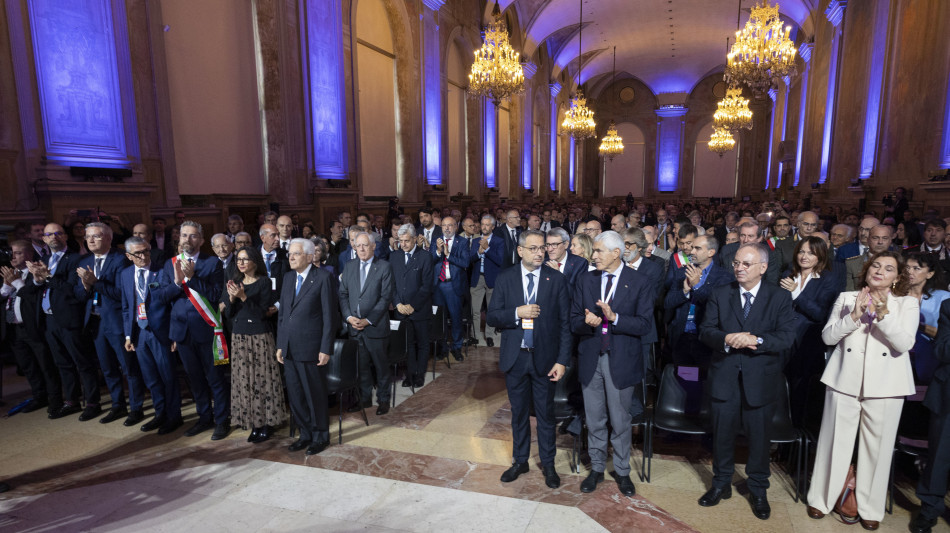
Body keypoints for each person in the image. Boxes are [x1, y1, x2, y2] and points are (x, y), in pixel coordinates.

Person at [806, 251, 917, 530]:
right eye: (876, 265)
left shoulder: (907, 304)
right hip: (844, 380)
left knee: (877, 451)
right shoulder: (846, 297)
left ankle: (870, 508)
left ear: (897, 278)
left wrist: (883, 316)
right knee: (834, 442)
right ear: (866, 270)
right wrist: (854, 316)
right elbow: (828, 337)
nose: (879, 271)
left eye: (888, 268)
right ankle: (821, 499)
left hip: (887, 387)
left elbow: (904, 344)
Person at [698, 243, 796, 520]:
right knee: (722, 435)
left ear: (763, 268)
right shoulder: (720, 294)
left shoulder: (779, 297)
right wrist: (726, 339)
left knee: (759, 439)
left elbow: (787, 337)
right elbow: (706, 331)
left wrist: (758, 340)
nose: (739, 268)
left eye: (746, 264)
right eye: (736, 263)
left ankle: (758, 489)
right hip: (725, 376)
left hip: (761, 380)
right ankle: (720, 484)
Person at [571, 231, 653, 497]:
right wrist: (587, 322)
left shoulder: (639, 281)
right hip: (590, 358)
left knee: (620, 421)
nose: (593, 256)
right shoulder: (585, 279)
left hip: (621, 360)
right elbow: (572, 320)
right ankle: (596, 468)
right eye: (593, 251)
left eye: (598, 251)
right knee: (594, 419)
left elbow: (644, 324)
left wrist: (614, 317)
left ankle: (621, 470)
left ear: (616, 253)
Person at [487, 229, 571, 489]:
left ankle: (548, 464)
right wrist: (517, 312)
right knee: (519, 413)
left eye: (542, 248)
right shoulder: (506, 278)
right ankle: (520, 460)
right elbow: (492, 316)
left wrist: (562, 360)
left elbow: (565, 324)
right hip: (516, 358)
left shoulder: (555, 279)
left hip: (545, 359)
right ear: (520, 251)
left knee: (546, 415)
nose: (539, 253)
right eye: (533, 248)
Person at [20, 223, 100, 420]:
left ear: (65, 236)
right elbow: (29, 289)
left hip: (70, 319)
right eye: (49, 234)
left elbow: (73, 291)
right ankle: (71, 400)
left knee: (82, 362)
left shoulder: (76, 259)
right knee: (62, 363)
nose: (53, 237)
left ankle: (92, 402)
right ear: (44, 239)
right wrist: (38, 279)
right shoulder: (43, 259)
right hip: (49, 320)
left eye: (58, 233)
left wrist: (47, 276)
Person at [160, 221, 230, 440]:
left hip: (207, 330)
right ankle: (204, 418)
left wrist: (193, 279)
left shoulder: (212, 263)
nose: (187, 240)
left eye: (192, 236)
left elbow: (216, 294)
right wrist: (177, 282)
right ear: (178, 238)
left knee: (215, 378)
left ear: (200, 240)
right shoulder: (170, 264)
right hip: (182, 332)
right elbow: (162, 297)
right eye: (183, 235)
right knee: (194, 378)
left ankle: (222, 420)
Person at [76, 222, 145, 426]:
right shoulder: (85, 260)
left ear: (108, 238)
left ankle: (136, 407)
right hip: (96, 323)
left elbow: (122, 295)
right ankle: (117, 405)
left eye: (95, 236)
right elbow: (78, 294)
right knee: (107, 368)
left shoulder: (120, 260)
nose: (90, 240)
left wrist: (96, 283)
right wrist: (86, 285)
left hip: (117, 323)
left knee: (128, 368)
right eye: (87, 237)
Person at [277, 239, 336, 455]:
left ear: (310, 257)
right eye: (289, 254)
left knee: (314, 394)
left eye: (296, 254)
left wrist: (325, 348)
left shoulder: (323, 278)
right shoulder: (288, 277)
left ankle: (321, 436)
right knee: (295, 394)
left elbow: (330, 317)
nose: (291, 257)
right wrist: (281, 344)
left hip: (312, 348)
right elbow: (283, 314)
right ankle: (305, 434)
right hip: (290, 348)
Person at [222, 246, 286, 443]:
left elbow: (261, 313)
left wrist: (243, 297)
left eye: (245, 259)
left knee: (262, 381)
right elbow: (228, 314)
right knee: (245, 382)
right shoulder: (234, 282)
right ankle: (252, 423)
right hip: (239, 337)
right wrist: (232, 298)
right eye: (238, 259)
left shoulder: (264, 282)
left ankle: (266, 423)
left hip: (259, 337)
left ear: (255, 262)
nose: (240, 263)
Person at [778, 236, 844, 427]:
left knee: (799, 392)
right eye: (801, 251)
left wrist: (797, 293)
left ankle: (796, 434)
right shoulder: (788, 274)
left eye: (810, 253)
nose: (804, 256)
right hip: (783, 339)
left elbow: (821, 314)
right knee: (779, 387)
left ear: (820, 256)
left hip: (807, 342)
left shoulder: (828, 278)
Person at [121, 237, 183, 434]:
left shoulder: (162, 270)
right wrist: (128, 336)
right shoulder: (125, 274)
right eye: (137, 253)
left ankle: (174, 417)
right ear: (128, 256)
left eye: (146, 251)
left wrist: (174, 334)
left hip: (161, 333)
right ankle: (160, 414)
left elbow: (173, 305)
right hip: (139, 334)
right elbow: (126, 308)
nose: (143, 256)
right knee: (151, 378)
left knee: (168, 377)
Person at [0, 240, 59, 414]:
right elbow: (3, 297)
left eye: (17, 253)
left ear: (28, 254)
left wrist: (18, 283)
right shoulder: (9, 273)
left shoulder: (35, 273)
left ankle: (55, 399)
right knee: (28, 366)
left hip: (33, 327)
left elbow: (34, 300)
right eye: (11, 252)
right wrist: (6, 284)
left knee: (45, 365)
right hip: (14, 329)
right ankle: (39, 397)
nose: (12, 256)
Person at [340, 232, 394, 415]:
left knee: (381, 366)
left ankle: (384, 400)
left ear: (373, 246)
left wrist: (368, 320)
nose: (361, 249)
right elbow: (343, 294)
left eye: (365, 245)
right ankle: (364, 399)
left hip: (376, 327)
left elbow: (385, 298)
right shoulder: (349, 267)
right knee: (361, 367)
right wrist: (348, 317)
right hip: (354, 327)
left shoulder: (384, 267)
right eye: (358, 246)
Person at [913, 298, 950, 533]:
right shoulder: (948, 306)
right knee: (939, 457)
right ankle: (929, 509)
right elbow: (942, 350)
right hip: (948, 394)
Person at [665, 235, 730, 367]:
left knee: (704, 382)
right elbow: (668, 303)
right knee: (684, 380)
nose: (691, 251)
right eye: (692, 247)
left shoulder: (724, 276)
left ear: (711, 252)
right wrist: (685, 291)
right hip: (681, 337)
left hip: (706, 340)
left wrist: (697, 286)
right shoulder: (683, 272)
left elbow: (717, 306)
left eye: (697, 248)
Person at [390, 225, 434, 387]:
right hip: (401, 310)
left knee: (422, 343)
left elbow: (427, 286)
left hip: (420, 309)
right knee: (407, 344)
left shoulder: (425, 257)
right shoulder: (394, 257)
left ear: (415, 239)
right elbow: (391, 284)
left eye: (407, 241)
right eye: (400, 241)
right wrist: (397, 304)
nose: (403, 244)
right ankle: (409, 374)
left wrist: (412, 305)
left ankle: (419, 374)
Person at [905, 253, 950, 385]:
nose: (909, 272)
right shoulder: (895, 297)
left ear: (930, 274)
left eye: (916, 268)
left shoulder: (944, 298)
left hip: (930, 361)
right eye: (907, 268)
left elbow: (945, 336)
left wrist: (917, 325)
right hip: (899, 361)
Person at [431, 216, 471, 361]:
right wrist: (437, 251)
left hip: (454, 285)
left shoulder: (463, 242)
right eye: (444, 225)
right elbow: (431, 260)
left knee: (455, 318)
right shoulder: (436, 240)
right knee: (439, 319)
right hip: (438, 285)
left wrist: (448, 254)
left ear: (456, 227)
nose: (446, 228)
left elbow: (465, 262)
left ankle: (456, 347)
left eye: (450, 225)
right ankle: (442, 348)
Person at [470, 215, 504, 347]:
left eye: (487, 225)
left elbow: (500, 261)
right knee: (475, 310)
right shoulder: (475, 241)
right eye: (482, 224)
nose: (484, 227)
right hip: (477, 278)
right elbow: (470, 259)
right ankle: (476, 335)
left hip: (492, 279)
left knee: (491, 309)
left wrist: (487, 249)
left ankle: (489, 335)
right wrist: (478, 253)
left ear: (493, 227)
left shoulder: (499, 241)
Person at [845, 225, 893, 290]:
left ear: (890, 241)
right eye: (875, 238)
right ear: (868, 240)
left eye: (885, 238)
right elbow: (849, 292)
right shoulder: (852, 264)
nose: (880, 242)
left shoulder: (898, 263)